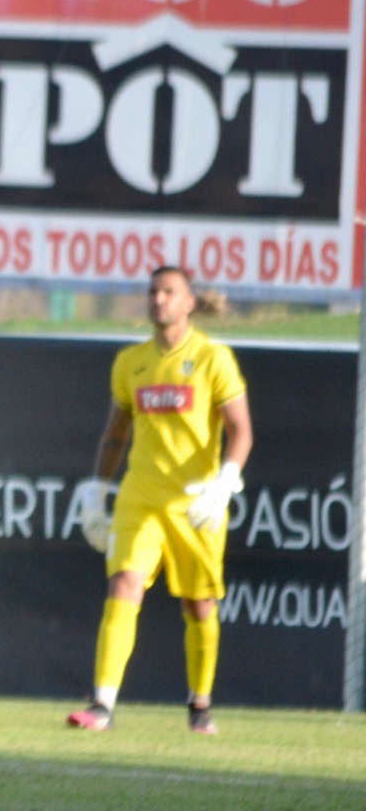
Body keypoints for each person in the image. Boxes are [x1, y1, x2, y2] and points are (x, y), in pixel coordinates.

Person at [67, 266, 252, 735]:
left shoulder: (213, 358)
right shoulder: (131, 361)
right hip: (141, 497)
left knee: (200, 606)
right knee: (124, 584)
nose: (159, 300)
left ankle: (199, 706)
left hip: (196, 501)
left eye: (169, 292)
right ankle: (102, 705)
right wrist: (97, 492)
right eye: (153, 292)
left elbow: (241, 431)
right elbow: (115, 435)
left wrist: (225, 480)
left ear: (189, 303)